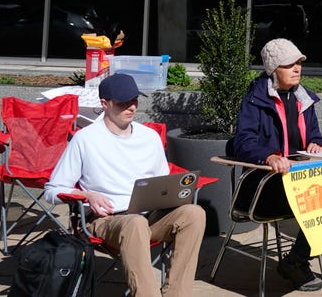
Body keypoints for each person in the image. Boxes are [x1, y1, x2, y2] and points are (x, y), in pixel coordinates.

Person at [44, 73, 205, 297]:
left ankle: (177, 294)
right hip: (107, 220)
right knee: (135, 223)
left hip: (150, 216)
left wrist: (176, 193)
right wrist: (88, 195)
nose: (131, 107)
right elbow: (52, 190)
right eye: (123, 102)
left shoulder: (149, 137)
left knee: (194, 213)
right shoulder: (86, 139)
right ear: (104, 104)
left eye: (134, 100)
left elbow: (163, 182)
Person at [230, 38, 322, 295]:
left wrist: (316, 145)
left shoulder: (303, 99)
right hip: (265, 184)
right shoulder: (255, 100)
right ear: (273, 69)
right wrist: (269, 156)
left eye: (299, 63)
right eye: (289, 64)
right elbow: (243, 143)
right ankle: (297, 262)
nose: (297, 68)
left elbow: (315, 136)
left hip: (300, 179)